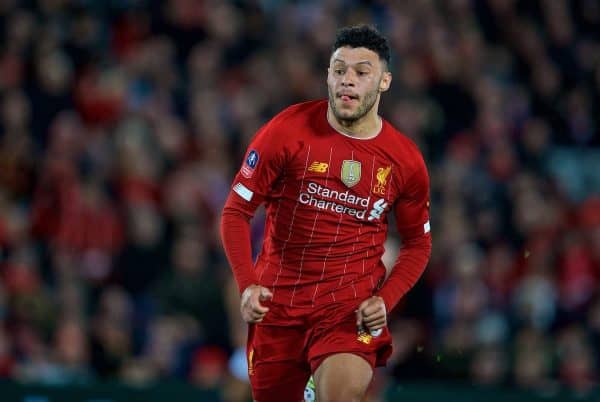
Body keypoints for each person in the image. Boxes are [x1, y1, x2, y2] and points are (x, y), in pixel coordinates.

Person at [220, 24, 432, 402]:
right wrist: (247, 284)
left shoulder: (405, 160)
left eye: (361, 72)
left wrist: (385, 299)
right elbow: (236, 211)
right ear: (328, 76)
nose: (347, 81)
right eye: (339, 70)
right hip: (278, 308)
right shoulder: (286, 131)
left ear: (384, 81)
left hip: (348, 311)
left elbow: (418, 243)